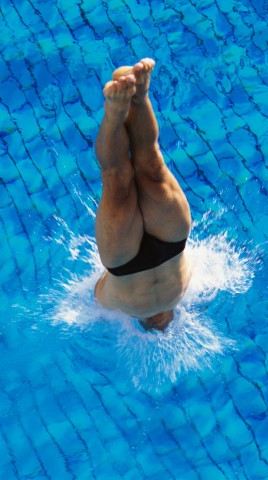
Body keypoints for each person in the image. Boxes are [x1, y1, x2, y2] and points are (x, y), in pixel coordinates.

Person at [94, 58, 192, 332]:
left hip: (124, 264)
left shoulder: (110, 307)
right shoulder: (187, 289)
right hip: (171, 240)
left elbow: (88, 298)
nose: (162, 324)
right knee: (151, 164)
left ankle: (115, 111)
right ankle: (139, 94)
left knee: (117, 181)